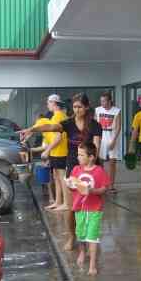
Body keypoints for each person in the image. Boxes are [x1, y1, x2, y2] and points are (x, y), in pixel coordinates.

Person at [19, 93, 102, 250]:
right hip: (73, 168)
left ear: (86, 107)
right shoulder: (68, 124)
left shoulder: (95, 125)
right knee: (72, 208)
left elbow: (96, 147)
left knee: (90, 209)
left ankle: (89, 237)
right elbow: (50, 127)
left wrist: (90, 166)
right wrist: (32, 129)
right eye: (75, 107)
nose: (76, 110)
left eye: (80, 107)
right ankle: (72, 237)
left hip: (91, 169)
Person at [66, 142, 110, 275]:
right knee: (81, 234)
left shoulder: (99, 171)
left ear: (91, 157)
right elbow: (71, 186)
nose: (78, 157)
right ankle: (82, 252)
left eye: (81, 155)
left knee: (92, 236)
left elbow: (104, 188)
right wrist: (70, 184)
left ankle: (92, 265)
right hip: (79, 207)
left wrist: (93, 190)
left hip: (94, 209)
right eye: (78, 154)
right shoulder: (76, 170)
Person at [41, 95, 70, 211]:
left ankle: (66, 203)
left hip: (60, 152)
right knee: (56, 177)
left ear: (54, 103)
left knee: (62, 178)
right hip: (56, 152)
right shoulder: (58, 116)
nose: (47, 105)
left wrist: (47, 150)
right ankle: (58, 202)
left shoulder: (58, 117)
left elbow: (58, 138)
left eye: (48, 102)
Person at [95, 91, 121, 193]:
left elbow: (118, 127)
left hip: (112, 136)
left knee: (112, 162)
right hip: (101, 136)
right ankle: (102, 184)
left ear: (109, 101)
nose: (102, 103)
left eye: (104, 101)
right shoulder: (98, 110)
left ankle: (111, 185)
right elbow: (95, 124)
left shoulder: (116, 110)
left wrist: (114, 141)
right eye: (101, 101)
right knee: (100, 162)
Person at [30, 111, 56, 205]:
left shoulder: (52, 131)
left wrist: (46, 152)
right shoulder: (45, 133)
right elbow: (44, 146)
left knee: (54, 177)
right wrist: (31, 149)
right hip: (52, 156)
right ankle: (52, 196)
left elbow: (47, 146)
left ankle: (54, 197)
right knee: (50, 176)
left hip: (58, 155)